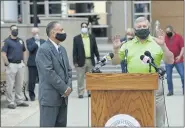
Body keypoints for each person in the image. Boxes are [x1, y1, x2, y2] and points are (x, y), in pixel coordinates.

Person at [111, 17, 174, 127]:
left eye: (144, 26)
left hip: (155, 89)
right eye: (139, 27)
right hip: (133, 88)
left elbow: (170, 60)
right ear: (135, 29)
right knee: (135, 120)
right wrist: (116, 50)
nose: (142, 28)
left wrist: (163, 46)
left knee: (158, 122)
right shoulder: (127, 45)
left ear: (149, 27)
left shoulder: (157, 42)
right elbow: (115, 62)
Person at [35, 21, 72, 127]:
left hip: (63, 98)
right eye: (61, 30)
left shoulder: (62, 49)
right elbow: (48, 72)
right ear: (52, 33)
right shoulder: (44, 49)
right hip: (50, 98)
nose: (63, 32)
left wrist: (68, 87)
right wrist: (64, 88)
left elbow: (68, 70)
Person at [1, 25, 29, 109]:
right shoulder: (6, 41)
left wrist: (24, 62)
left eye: (16, 29)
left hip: (20, 65)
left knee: (19, 84)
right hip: (11, 65)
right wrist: (7, 63)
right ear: (10, 31)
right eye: (13, 30)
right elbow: (3, 53)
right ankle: (11, 101)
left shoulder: (20, 41)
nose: (15, 31)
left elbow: (24, 51)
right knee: (10, 84)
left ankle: (19, 100)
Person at [73, 22, 100, 98]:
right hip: (80, 61)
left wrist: (98, 57)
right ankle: (81, 93)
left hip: (90, 60)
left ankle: (90, 92)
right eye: (83, 26)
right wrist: (75, 62)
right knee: (80, 78)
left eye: (85, 26)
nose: (84, 28)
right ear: (81, 28)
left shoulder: (92, 37)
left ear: (88, 28)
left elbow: (95, 48)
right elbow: (74, 51)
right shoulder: (76, 38)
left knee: (90, 77)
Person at [26, 27, 45, 101]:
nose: (36, 34)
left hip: (42, 64)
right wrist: (36, 43)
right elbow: (30, 49)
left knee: (42, 80)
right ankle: (32, 95)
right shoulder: (29, 41)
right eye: (34, 33)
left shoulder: (43, 41)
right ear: (32, 33)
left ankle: (43, 95)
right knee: (32, 81)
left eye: (37, 32)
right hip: (32, 64)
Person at [165, 25, 184, 96]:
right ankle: (170, 91)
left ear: (172, 31)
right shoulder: (165, 38)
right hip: (169, 60)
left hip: (178, 59)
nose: (167, 33)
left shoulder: (179, 37)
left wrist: (180, 56)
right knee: (168, 76)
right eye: (166, 32)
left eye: (168, 32)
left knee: (182, 75)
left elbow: (182, 48)